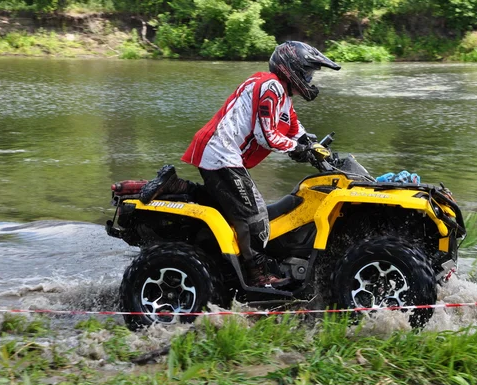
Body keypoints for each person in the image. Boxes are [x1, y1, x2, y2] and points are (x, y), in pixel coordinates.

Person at [139, 41, 341, 287]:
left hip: (222, 153)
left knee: (228, 206)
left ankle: (176, 186)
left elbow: (296, 130)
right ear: (292, 69)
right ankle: (258, 276)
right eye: (307, 72)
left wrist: (320, 152)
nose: (309, 78)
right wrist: (300, 150)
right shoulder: (271, 87)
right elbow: (265, 135)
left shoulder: (283, 96)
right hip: (221, 152)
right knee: (254, 215)